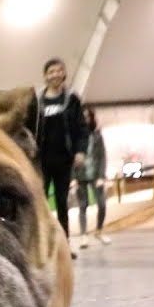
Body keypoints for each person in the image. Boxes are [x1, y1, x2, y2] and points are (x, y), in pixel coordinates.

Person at [25, 58, 91, 249]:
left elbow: (81, 129)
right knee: (41, 203)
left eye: (58, 71)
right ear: (45, 76)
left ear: (64, 74)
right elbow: (28, 128)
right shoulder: (37, 101)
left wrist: (80, 151)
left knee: (62, 203)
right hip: (41, 161)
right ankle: (42, 245)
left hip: (64, 161)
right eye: (50, 71)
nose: (54, 74)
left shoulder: (72, 100)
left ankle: (64, 244)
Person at [73, 106, 112, 244]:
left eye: (88, 116)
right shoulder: (75, 137)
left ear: (91, 118)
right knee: (83, 206)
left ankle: (99, 231)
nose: (85, 119)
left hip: (95, 175)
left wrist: (101, 176)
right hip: (80, 175)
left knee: (102, 204)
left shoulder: (97, 136)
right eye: (82, 116)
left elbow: (102, 157)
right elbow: (71, 157)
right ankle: (84, 235)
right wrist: (73, 178)